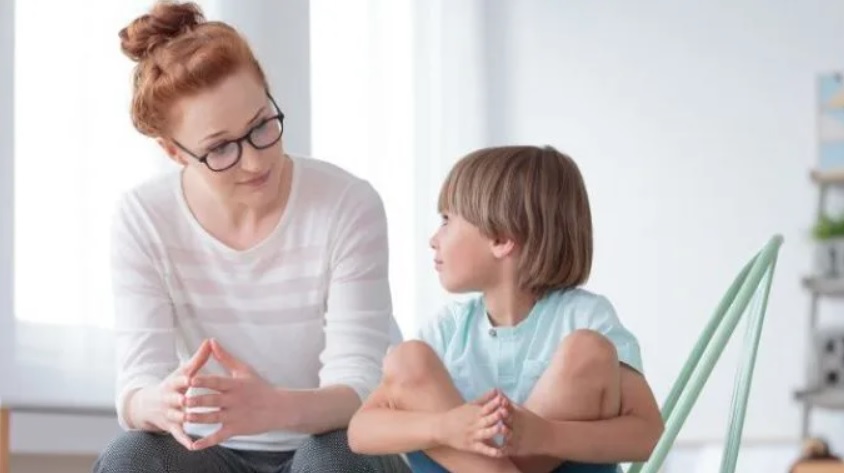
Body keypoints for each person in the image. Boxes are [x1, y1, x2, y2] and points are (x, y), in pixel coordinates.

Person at [93, 2, 410, 472]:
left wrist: (275, 408)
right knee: (132, 455)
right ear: (173, 152)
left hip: (325, 441)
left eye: (262, 125)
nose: (256, 161)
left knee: (333, 457)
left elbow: (361, 388)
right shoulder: (144, 217)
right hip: (210, 452)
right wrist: (158, 402)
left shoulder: (347, 203)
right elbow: (137, 386)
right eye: (221, 147)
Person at [348, 145, 665, 473]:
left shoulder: (585, 318)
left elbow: (647, 433)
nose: (434, 238)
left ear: (500, 239)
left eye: (447, 220)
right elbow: (360, 432)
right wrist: (445, 427)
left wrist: (546, 435)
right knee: (407, 357)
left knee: (588, 349)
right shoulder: (448, 329)